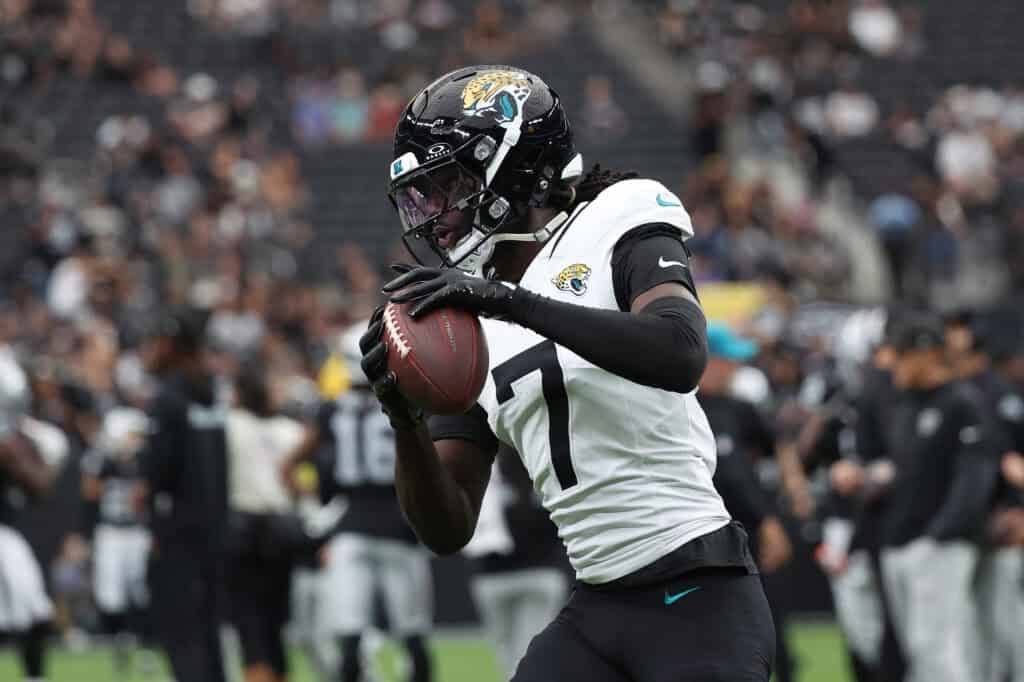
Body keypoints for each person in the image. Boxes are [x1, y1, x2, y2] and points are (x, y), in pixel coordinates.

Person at [360, 65, 775, 681]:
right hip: (597, 604)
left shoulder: (617, 214)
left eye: (445, 187)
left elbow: (681, 351)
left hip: (697, 590)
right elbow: (446, 526)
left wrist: (512, 303)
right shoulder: (468, 326)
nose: (432, 215)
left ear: (510, 167)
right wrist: (404, 417)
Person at [283, 323, 433, 682]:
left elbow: (289, 465)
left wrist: (316, 510)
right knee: (413, 638)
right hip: (400, 525)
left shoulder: (331, 410)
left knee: (350, 638)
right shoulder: (407, 402)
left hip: (349, 528)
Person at [857, 314, 998, 682]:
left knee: (936, 646)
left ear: (928, 355)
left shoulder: (962, 402)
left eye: (901, 355)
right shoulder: (904, 405)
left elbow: (974, 479)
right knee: (921, 651)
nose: (892, 365)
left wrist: (940, 535)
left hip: (939, 545)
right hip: (899, 539)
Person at [696, 323, 794, 682]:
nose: (735, 368)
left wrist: (793, 487)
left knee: (767, 624)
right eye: (727, 360)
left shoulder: (738, 408)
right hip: (706, 537)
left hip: (748, 532)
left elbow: (776, 444)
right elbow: (729, 475)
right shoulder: (684, 407)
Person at [139, 308, 230, 682]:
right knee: (208, 633)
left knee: (181, 633)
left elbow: (157, 473)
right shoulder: (212, 392)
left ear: (173, 346)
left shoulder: (168, 399)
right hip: (214, 531)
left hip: (178, 532)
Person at [225, 366, 307, 682]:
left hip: (243, 527)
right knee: (275, 621)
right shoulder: (289, 430)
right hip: (281, 530)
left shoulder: (232, 426)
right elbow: (298, 485)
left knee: (249, 621)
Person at [463, 448, 568, 679]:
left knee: (513, 659)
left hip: (496, 575)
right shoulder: (547, 463)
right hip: (539, 572)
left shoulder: (480, 468)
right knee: (525, 659)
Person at [0, 349, 62, 682]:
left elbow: (42, 485)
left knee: (34, 608)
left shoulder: (21, 439)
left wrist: (15, 457)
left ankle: (35, 677)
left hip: (6, 532)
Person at [80, 406, 153, 674]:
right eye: (133, 434)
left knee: (141, 590)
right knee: (110, 594)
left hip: (137, 531)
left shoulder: (144, 460)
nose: (138, 440)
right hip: (110, 532)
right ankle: (120, 641)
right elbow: (89, 491)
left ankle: (145, 647)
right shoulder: (102, 459)